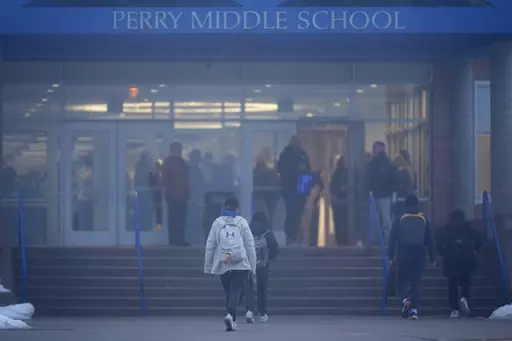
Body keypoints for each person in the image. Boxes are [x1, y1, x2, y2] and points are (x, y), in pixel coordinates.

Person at [204, 197, 256, 332]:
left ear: (224, 206)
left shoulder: (217, 223)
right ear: (237, 208)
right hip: (241, 264)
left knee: (230, 292)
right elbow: (250, 246)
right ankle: (230, 315)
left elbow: (210, 245)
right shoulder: (242, 222)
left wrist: (208, 266)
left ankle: (231, 319)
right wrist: (253, 267)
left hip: (224, 264)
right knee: (235, 292)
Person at [388, 194, 436, 320]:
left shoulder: (400, 218)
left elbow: (392, 238)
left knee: (401, 280)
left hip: (403, 253)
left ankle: (405, 300)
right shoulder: (423, 218)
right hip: (419, 253)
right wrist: (433, 257)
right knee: (415, 283)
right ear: (417, 203)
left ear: (406, 204)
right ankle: (414, 310)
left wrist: (390, 256)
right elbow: (429, 239)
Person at [437, 209, 484, 318]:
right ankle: (464, 298)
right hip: (465, 259)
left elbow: (437, 242)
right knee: (466, 283)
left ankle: (454, 309)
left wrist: (443, 252)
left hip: (451, 260)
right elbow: (481, 238)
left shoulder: (447, 229)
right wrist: (474, 248)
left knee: (452, 286)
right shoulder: (467, 228)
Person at [245, 212, 280, 323]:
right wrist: (268, 258)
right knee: (261, 289)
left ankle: (250, 311)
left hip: (248, 265)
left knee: (250, 288)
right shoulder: (267, 232)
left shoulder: (246, 230)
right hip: (263, 265)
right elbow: (275, 249)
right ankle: (262, 313)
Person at [277, 136, 311, 246]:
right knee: (291, 212)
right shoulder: (286, 155)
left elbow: (307, 169)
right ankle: (290, 236)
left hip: (301, 188)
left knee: (298, 213)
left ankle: (296, 236)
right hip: (290, 188)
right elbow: (282, 169)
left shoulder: (302, 154)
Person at [368, 141, 396, 245]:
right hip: (384, 193)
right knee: (385, 218)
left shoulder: (376, 162)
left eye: (375, 148)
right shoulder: (387, 162)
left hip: (378, 193)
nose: (374, 150)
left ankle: (376, 239)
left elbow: (370, 177)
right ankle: (387, 239)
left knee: (377, 218)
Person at [162, 141, 189, 246]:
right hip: (172, 195)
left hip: (182, 196)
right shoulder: (168, 163)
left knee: (181, 218)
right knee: (173, 219)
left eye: (179, 149)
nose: (178, 151)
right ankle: (173, 240)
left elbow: (186, 179)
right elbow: (164, 179)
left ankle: (181, 239)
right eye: (176, 149)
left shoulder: (182, 162)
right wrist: (168, 191)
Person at [330, 156, 349, 246]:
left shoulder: (344, 174)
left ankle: (342, 241)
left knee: (342, 223)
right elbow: (332, 189)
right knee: (340, 223)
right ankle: (341, 241)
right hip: (339, 202)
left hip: (342, 202)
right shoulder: (338, 175)